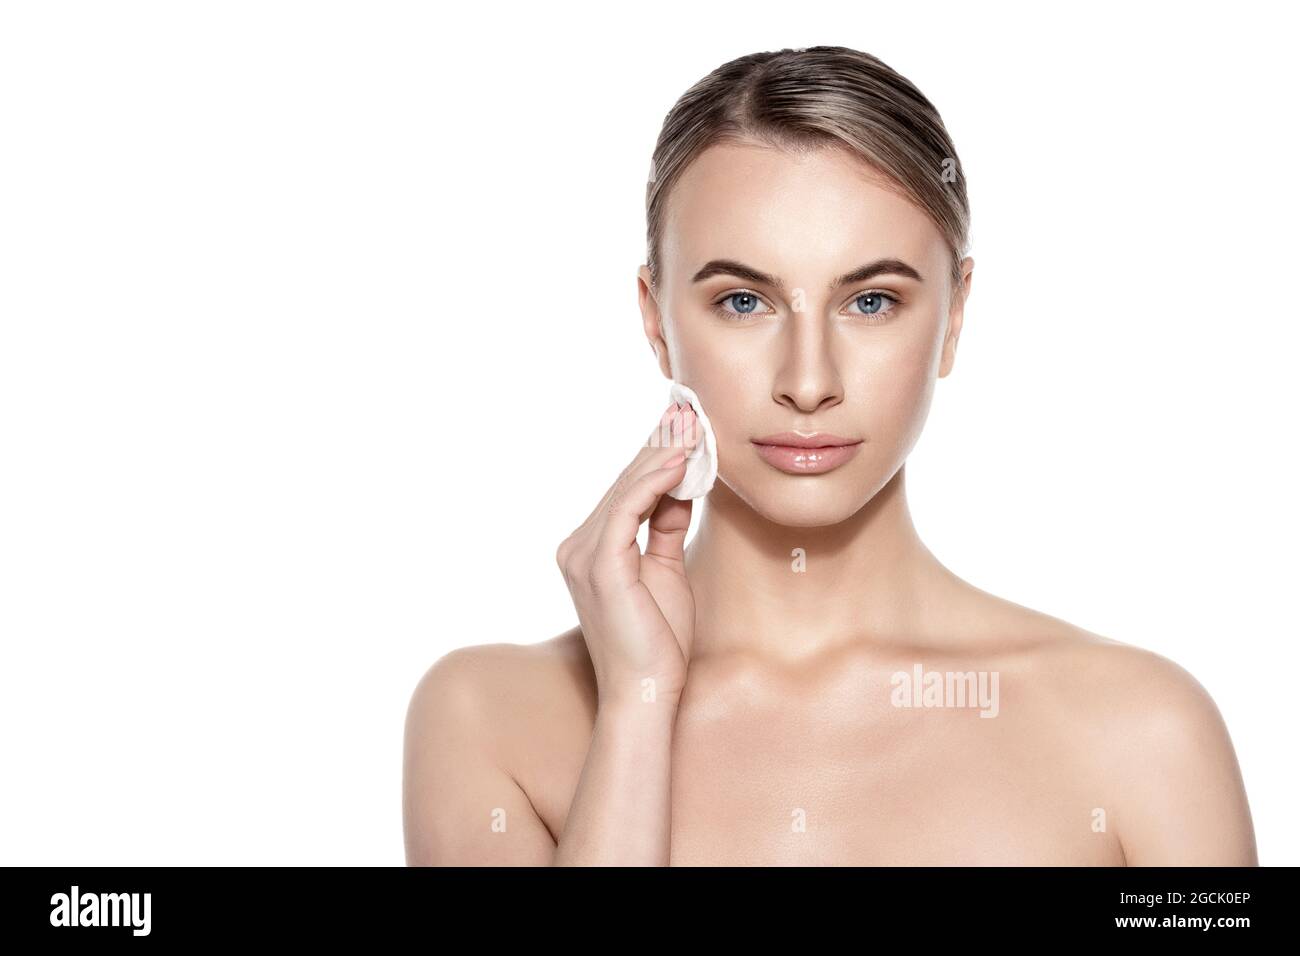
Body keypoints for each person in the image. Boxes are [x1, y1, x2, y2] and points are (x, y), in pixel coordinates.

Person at [403, 45, 1258, 866]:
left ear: (954, 317)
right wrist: (637, 705)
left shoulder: (1146, 734)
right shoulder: (489, 720)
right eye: (743, 301)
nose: (808, 382)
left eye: (872, 300)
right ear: (656, 319)